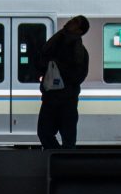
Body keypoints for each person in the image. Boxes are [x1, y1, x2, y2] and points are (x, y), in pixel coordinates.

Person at [37, 15, 90, 149]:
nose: (70, 21)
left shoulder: (78, 51)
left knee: (63, 137)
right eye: (72, 19)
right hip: (53, 97)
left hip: (66, 100)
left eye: (75, 22)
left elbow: (78, 76)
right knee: (46, 133)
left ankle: (62, 162)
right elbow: (41, 62)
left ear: (79, 31)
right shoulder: (55, 43)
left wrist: (58, 66)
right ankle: (60, 160)